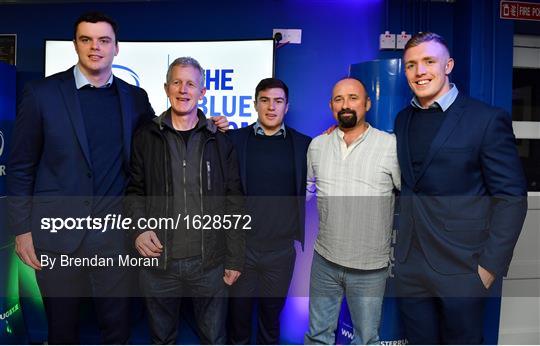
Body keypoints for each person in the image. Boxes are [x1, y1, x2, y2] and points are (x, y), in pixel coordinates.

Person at [6, 12, 154, 344]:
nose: (95, 47)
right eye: (86, 39)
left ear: (117, 48)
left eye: (104, 40)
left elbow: (157, 144)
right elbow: (20, 167)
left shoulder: (135, 99)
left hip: (114, 236)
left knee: (117, 329)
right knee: (62, 330)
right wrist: (22, 231)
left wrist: (206, 122)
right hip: (57, 235)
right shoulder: (41, 94)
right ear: (75, 45)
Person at [393, 32, 528, 344]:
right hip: (411, 266)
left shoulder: (485, 119)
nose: (420, 71)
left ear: (448, 65)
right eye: (411, 65)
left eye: (429, 61)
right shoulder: (402, 120)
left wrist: (488, 269)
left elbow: (511, 198)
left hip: (463, 268)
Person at [125, 56, 245, 344]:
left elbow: (234, 200)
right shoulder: (146, 137)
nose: (183, 89)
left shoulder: (220, 140)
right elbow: (134, 191)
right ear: (166, 88)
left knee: (214, 338)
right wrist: (138, 229)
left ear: (202, 92)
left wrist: (235, 257)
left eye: (191, 84)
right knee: (162, 338)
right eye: (177, 82)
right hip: (159, 262)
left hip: (210, 263)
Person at [305, 77, 400, 344]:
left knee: (366, 339)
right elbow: (307, 190)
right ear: (331, 106)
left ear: (367, 103)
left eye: (353, 98)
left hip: (369, 268)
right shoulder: (317, 146)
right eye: (339, 99)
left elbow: (410, 194)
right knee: (317, 335)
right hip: (325, 261)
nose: (346, 105)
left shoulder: (389, 145)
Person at [227, 78, 311, 344]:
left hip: (281, 252)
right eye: (265, 100)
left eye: (278, 101)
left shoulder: (304, 145)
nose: (271, 107)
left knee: (270, 322)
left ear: (287, 107)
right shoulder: (234, 140)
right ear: (255, 104)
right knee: (237, 322)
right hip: (242, 250)